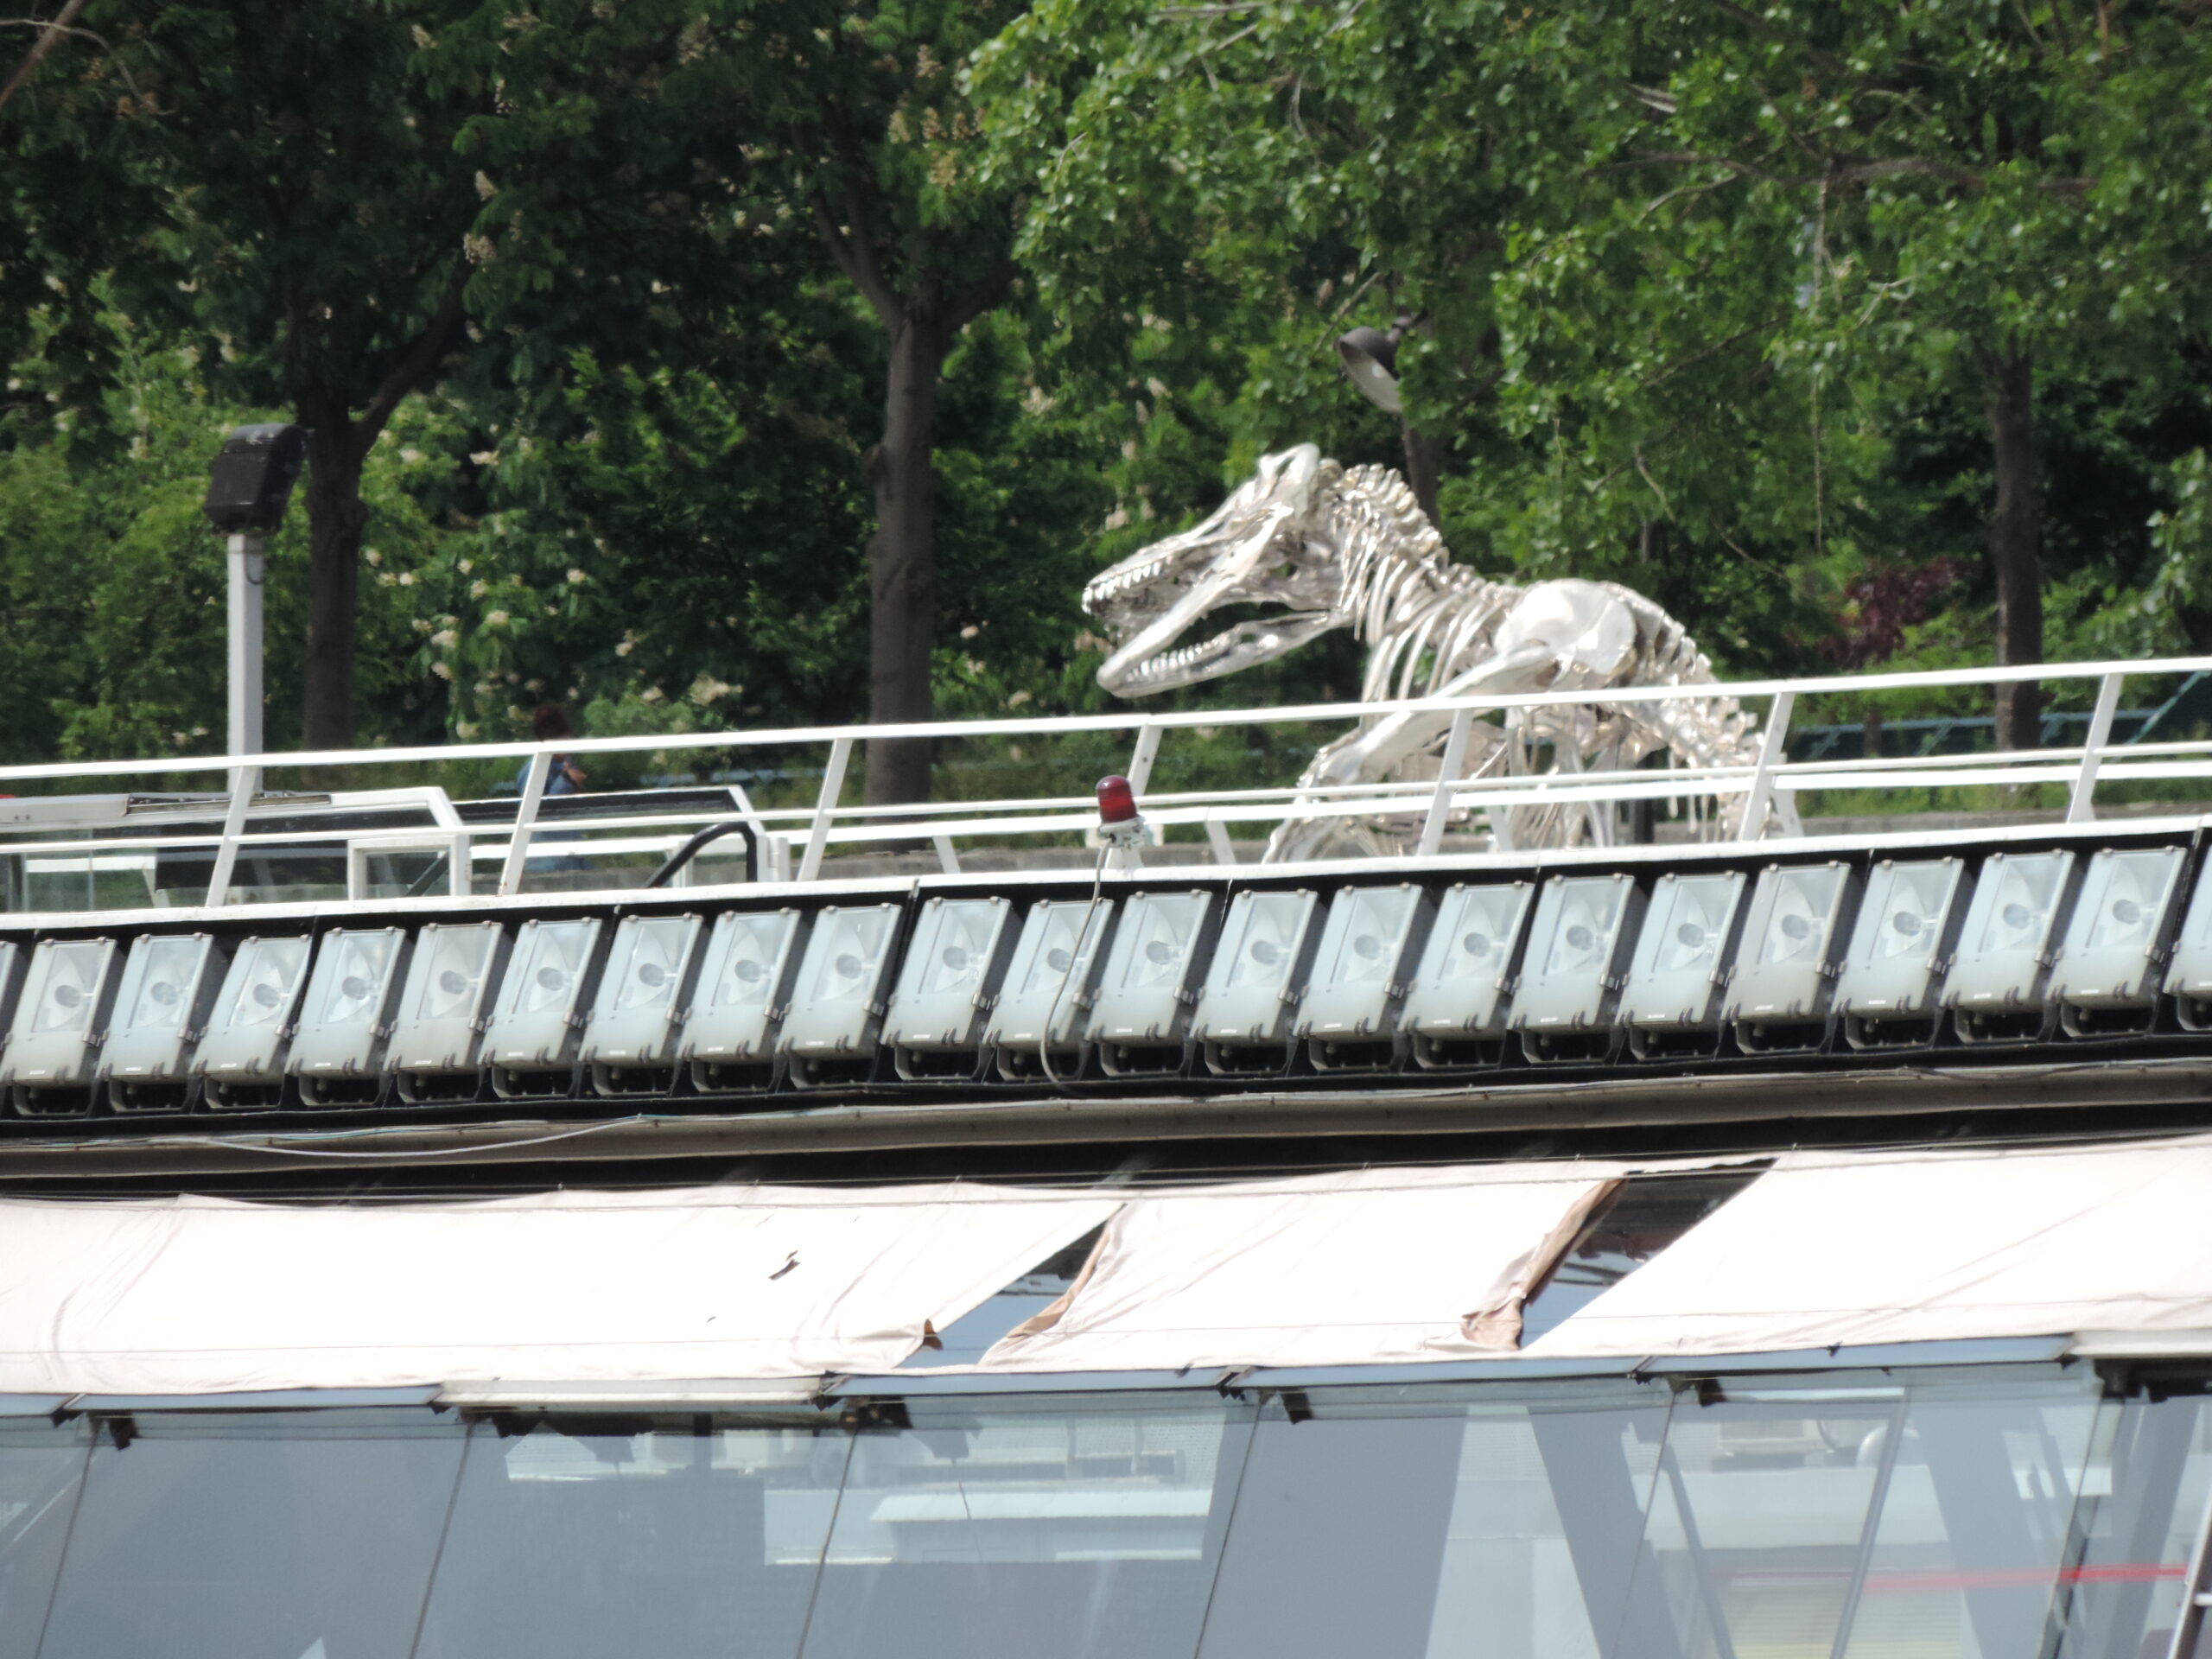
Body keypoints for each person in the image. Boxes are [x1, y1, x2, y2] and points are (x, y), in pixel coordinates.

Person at [517, 703, 587, 796]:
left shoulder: (566, 761)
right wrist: (567, 779)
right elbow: (537, 804)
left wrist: (576, 783)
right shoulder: (533, 771)